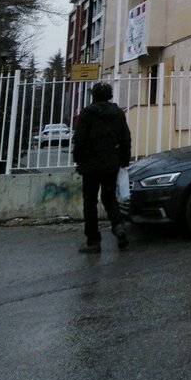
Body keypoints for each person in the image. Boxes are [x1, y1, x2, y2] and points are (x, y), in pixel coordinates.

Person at [73, 81, 132, 253]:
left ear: (93, 96)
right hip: (111, 164)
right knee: (110, 198)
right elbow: (125, 138)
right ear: (109, 95)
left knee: (90, 202)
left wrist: (79, 160)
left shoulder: (87, 114)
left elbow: (79, 140)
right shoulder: (118, 114)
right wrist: (124, 160)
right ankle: (119, 228)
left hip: (90, 166)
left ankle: (93, 241)